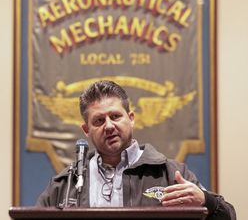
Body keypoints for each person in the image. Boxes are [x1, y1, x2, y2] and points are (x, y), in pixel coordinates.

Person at [37, 80, 236, 220]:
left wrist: (205, 201)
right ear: (86, 130)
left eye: (115, 116)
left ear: (131, 119)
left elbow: (229, 215)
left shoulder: (170, 174)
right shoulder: (65, 185)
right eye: (99, 120)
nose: (108, 126)